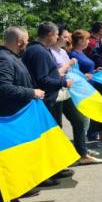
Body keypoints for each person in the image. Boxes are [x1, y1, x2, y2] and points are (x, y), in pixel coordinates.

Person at [0, 26, 45, 202]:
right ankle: (7, 200)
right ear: (19, 42)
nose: (27, 44)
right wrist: (32, 92)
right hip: (7, 118)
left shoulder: (10, 57)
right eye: (26, 41)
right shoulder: (2, 59)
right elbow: (4, 88)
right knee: (10, 160)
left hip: (17, 117)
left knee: (19, 158)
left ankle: (19, 190)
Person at [22, 22, 75, 184]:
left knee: (51, 137)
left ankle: (55, 168)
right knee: (43, 140)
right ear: (50, 35)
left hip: (48, 101)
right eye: (57, 34)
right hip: (43, 102)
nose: (58, 37)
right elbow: (43, 79)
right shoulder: (39, 52)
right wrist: (63, 83)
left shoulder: (39, 50)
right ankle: (44, 174)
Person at [52, 27, 101, 165]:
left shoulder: (62, 52)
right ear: (56, 37)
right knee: (57, 126)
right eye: (65, 36)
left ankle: (82, 153)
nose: (68, 39)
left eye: (68, 36)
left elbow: (72, 71)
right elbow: (55, 73)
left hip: (67, 92)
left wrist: (82, 76)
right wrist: (68, 65)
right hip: (56, 93)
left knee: (79, 121)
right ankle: (59, 160)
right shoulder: (49, 53)